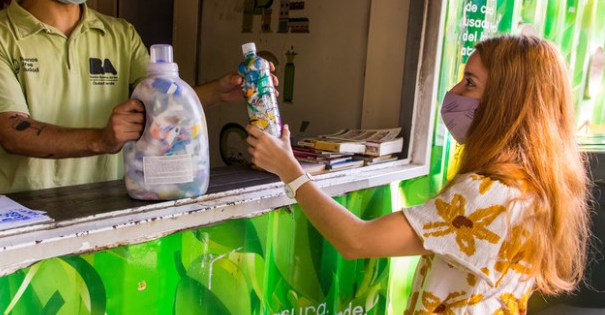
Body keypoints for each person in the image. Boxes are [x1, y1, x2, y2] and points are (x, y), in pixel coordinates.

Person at [247, 35, 593, 314]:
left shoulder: (487, 193)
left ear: (506, 104)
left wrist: (289, 170)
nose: (454, 92)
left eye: (470, 83)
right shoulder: (533, 185)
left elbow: (357, 241)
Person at [0, 0, 252, 196]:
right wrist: (101, 139)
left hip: (106, 203)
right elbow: (11, 132)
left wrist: (218, 92)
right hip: (22, 210)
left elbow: (163, 104)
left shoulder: (120, 33)